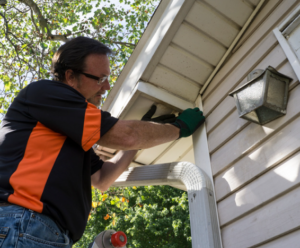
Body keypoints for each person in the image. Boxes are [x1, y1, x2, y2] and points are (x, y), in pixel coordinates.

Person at [0, 37, 205, 247]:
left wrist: (142, 138)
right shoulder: (45, 93)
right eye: (100, 79)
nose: (106, 86)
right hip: (23, 222)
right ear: (70, 76)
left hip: (40, 231)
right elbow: (126, 135)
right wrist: (179, 128)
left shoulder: (67, 135)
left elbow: (102, 178)